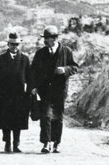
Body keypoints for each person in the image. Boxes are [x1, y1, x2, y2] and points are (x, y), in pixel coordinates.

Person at [29, 25, 80, 154]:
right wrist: (33, 87)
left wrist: (64, 70)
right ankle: (46, 143)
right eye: (44, 38)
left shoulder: (66, 51)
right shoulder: (40, 53)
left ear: (55, 38)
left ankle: (56, 143)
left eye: (47, 38)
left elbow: (75, 67)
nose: (45, 41)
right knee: (45, 116)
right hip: (44, 90)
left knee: (57, 117)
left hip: (60, 90)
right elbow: (33, 71)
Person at [0, 31, 31, 153]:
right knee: (5, 120)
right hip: (4, 94)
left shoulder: (25, 59)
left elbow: (29, 77)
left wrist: (29, 91)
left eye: (16, 44)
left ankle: (16, 143)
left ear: (19, 45)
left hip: (19, 95)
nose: (14, 47)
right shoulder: (0, 59)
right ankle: (7, 142)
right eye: (12, 44)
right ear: (8, 44)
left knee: (18, 120)